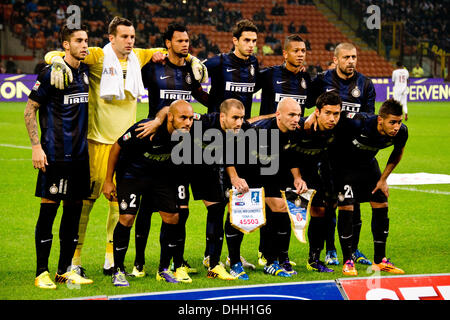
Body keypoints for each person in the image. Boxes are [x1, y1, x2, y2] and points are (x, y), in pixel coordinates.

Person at [44, 16, 207, 276]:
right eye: (124, 37)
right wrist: (54, 60)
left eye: (132, 37)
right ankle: (75, 258)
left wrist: (194, 60)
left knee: (119, 207)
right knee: (86, 203)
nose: (130, 41)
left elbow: (171, 51)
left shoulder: (139, 56)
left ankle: (110, 257)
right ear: (112, 38)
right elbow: (58, 52)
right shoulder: (97, 56)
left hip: (128, 146)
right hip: (98, 142)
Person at [130, 23, 209, 277]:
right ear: (167, 43)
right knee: (146, 208)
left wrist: (218, 102)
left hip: (182, 147)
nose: (185, 44)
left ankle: (177, 259)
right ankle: (139, 262)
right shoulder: (153, 67)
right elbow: (128, 72)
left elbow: (200, 95)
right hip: (154, 144)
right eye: (179, 41)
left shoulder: (190, 69)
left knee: (180, 209)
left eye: (187, 40)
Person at [24, 25, 93, 289]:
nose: (84, 45)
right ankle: (42, 272)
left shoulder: (85, 71)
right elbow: (30, 110)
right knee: (48, 212)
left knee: (73, 213)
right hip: (55, 155)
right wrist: (35, 146)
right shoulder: (50, 72)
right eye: (78, 41)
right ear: (66, 45)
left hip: (80, 156)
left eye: (86, 40)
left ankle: (65, 270)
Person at [102, 100, 195, 286]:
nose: (188, 122)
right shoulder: (145, 129)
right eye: (183, 118)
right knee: (127, 218)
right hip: (132, 175)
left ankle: (163, 269)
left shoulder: (187, 131)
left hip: (159, 176)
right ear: (170, 118)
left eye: (191, 118)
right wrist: (108, 181)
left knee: (173, 217)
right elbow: (116, 147)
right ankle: (118, 270)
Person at [226, 97, 308, 279]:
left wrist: (297, 177)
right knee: (239, 214)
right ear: (278, 115)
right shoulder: (259, 132)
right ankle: (234, 262)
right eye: (292, 115)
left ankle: (272, 261)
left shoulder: (295, 131)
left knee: (279, 206)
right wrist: (235, 177)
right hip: (243, 170)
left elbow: (291, 155)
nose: (297, 119)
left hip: (268, 171)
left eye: (299, 115)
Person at [311, 42, 376, 266]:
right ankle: (330, 249)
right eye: (347, 57)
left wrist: (349, 118)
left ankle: (354, 249)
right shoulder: (322, 80)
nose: (351, 61)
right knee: (330, 201)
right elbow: (310, 107)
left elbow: (369, 117)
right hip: (327, 150)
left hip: (353, 153)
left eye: (354, 57)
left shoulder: (365, 84)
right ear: (336, 59)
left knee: (354, 202)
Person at [331, 99, 408, 275]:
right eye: (392, 122)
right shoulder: (357, 122)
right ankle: (348, 260)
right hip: (343, 166)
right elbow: (332, 124)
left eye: (399, 122)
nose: (396, 127)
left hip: (367, 165)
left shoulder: (401, 132)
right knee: (347, 206)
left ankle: (380, 260)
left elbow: (397, 153)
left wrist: (383, 179)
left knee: (381, 202)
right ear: (380, 119)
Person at [257, 34, 313, 268]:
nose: (300, 54)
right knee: (270, 203)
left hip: (291, 148)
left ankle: (280, 254)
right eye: (296, 50)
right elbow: (245, 88)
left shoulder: (305, 78)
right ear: (285, 53)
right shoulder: (269, 75)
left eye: (303, 50)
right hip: (266, 146)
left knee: (287, 204)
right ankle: (266, 253)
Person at [288, 92, 342, 273]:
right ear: (317, 112)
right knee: (280, 213)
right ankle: (278, 258)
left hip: (313, 172)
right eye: (328, 113)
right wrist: (297, 177)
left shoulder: (339, 128)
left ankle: (314, 259)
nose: (332, 118)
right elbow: (287, 154)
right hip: (289, 170)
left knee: (320, 211)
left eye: (336, 114)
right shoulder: (299, 127)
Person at [204, 19, 260, 119]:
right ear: (235, 41)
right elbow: (192, 75)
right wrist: (211, 103)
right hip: (218, 128)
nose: (251, 45)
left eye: (254, 41)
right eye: (246, 40)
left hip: (242, 128)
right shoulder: (219, 61)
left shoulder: (254, 62)